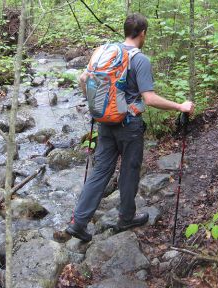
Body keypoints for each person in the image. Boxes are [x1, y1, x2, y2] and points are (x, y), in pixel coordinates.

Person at [66, 13, 194, 242]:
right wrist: (180, 106)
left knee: (100, 171)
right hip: (129, 125)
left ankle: (79, 222)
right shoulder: (139, 59)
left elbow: (83, 79)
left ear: (125, 30)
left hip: (104, 122)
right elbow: (151, 99)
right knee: (129, 170)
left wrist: (96, 105)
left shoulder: (106, 52)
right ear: (143, 32)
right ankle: (126, 217)